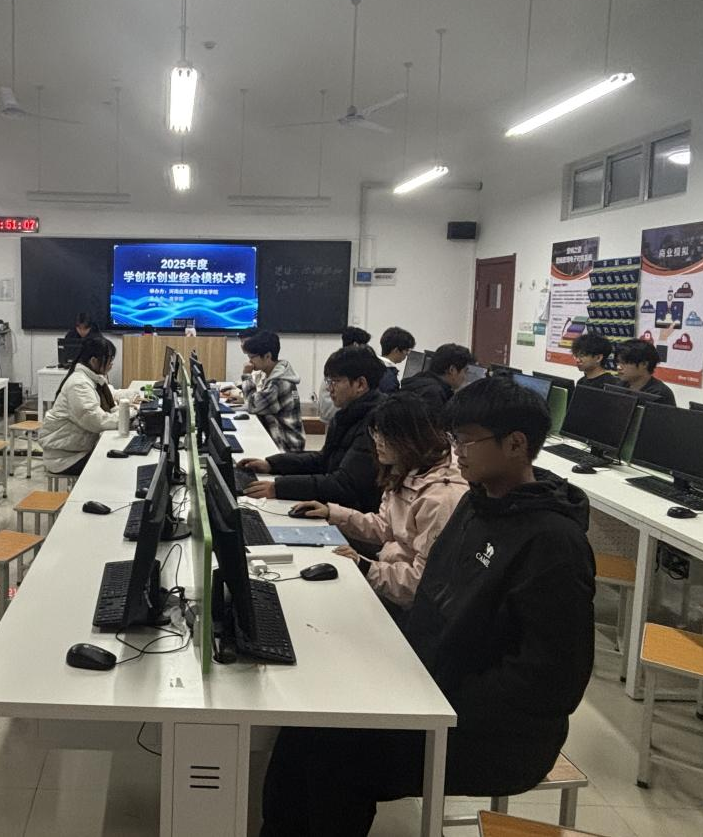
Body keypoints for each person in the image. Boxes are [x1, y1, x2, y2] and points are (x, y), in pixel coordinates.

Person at [260, 378, 595, 836]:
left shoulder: (553, 543)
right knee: (304, 724)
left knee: (334, 757)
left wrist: (429, 698)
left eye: (467, 441)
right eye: (453, 438)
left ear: (516, 444)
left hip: (492, 732)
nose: (456, 453)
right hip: (428, 685)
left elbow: (550, 681)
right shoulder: (476, 505)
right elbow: (433, 601)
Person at [293, 392, 468, 613]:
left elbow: (421, 583)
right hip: (390, 577)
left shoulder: (442, 499)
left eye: (385, 435)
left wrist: (366, 567)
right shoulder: (407, 469)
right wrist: (331, 513)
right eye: (375, 433)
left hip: (410, 605)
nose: (377, 442)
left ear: (410, 438)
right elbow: (386, 526)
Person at [240, 346, 385, 511]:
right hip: (341, 508)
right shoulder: (347, 415)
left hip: (357, 515)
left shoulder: (376, 423)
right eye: (328, 381)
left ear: (360, 384)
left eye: (335, 381)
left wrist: (279, 488)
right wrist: (272, 464)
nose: (329, 388)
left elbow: (345, 484)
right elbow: (323, 460)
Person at [39, 335, 133, 476]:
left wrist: (134, 396)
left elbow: (111, 393)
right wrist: (129, 414)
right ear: (94, 361)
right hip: (65, 458)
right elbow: (97, 421)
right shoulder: (79, 385)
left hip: (78, 448)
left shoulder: (91, 378)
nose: (111, 365)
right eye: (109, 360)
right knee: (118, 467)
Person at [241, 330, 305, 453]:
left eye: (252, 357)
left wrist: (246, 376)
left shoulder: (277, 382)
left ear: (267, 356)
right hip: (283, 437)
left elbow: (252, 405)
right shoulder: (275, 373)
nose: (249, 362)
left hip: (287, 445)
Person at [316, 328, 374, 423]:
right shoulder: (341, 368)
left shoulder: (338, 363)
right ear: (356, 345)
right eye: (365, 345)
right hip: (336, 419)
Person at [400, 342, 475, 412]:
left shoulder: (418, 382)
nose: (466, 377)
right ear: (452, 370)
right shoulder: (434, 395)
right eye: (465, 371)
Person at [614, 339, 677, 406]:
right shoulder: (620, 386)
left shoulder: (660, 394)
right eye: (618, 362)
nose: (618, 367)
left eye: (624, 363)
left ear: (644, 364)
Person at [378, 326, 416, 393]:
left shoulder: (374, 364)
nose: (407, 354)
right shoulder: (388, 378)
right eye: (406, 350)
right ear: (396, 350)